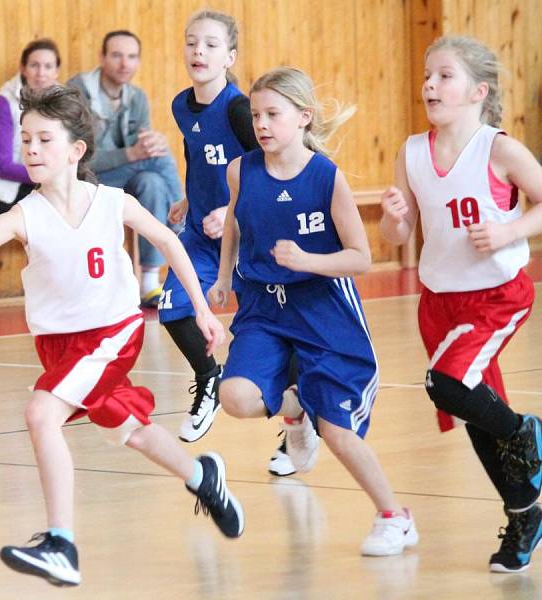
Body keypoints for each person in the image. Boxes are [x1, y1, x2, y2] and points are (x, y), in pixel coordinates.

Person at [0, 84, 244, 587]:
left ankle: (62, 543)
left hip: (112, 334)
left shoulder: (112, 202)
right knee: (132, 430)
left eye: (43, 140)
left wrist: (205, 312)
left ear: (76, 151)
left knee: (40, 412)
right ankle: (202, 477)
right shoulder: (24, 215)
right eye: (25, 140)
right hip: (60, 345)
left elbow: (167, 239)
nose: (30, 149)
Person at [210, 66, 418, 557]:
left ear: (303, 118)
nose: (261, 124)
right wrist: (223, 277)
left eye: (272, 115)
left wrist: (308, 261)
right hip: (264, 306)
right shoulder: (241, 169)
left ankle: (394, 517)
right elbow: (235, 225)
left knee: (339, 431)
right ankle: (294, 411)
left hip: (323, 309)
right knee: (235, 397)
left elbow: (361, 257)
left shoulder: (327, 178)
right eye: (256, 115)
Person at [380, 35, 542, 572]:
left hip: (496, 295)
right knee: (473, 414)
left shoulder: (499, 149)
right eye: (428, 75)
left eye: (444, 75)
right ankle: (525, 514)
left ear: (478, 90)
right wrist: (396, 215)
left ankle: (526, 431)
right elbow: (398, 233)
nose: (430, 84)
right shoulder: (410, 151)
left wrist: (511, 229)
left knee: (446, 384)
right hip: (439, 301)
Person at [163, 9, 316, 480]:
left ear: (230, 56)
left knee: (273, 328)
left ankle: (297, 417)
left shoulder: (238, 109)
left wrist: (230, 208)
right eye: (191, 43)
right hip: (199, 235)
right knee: (172, 307)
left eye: (210, 45)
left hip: (246, 234)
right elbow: (198, 158)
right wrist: (190, 199)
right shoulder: (180, 106)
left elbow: (270, 162)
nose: (198, 52)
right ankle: (207, 377)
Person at [67, 30, 184, 307]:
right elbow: (79, 158)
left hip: (123, 179)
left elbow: (140, 150)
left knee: (153, 181)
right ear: (102, 58)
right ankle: (183, 226)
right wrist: (135, 153)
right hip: (85, 178)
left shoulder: (137, 98)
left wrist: (152, 143)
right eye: (117, 55)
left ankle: (149, 283)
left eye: (132, 57)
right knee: (155, 161)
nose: (124, 64)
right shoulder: (78, 90)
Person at [0, 38, 61, 217]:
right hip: (1, 193)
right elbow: (2, 166)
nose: (41, 73)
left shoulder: (63, 101)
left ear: (57, 71)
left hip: (41, 182)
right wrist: (52, 175)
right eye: (34, 65)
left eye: (48, 66)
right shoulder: (2, 103)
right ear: (23, 68)